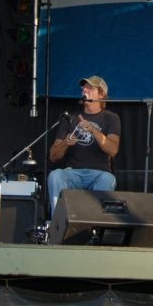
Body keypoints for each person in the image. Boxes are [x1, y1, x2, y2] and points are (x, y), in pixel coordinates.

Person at [48, 76, 121, 216]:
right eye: (83, 88)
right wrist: (65, 143)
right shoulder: (71, 118)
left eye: (90, 88)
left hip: (99, 174)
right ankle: (58, 220)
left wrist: (93, 130)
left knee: (108, 179)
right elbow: (53, 156)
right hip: (73, 173)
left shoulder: (111, 118)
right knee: (55, 176)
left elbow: (113, 150)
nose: (84, 90)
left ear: (101, 94)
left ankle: (95, 223)